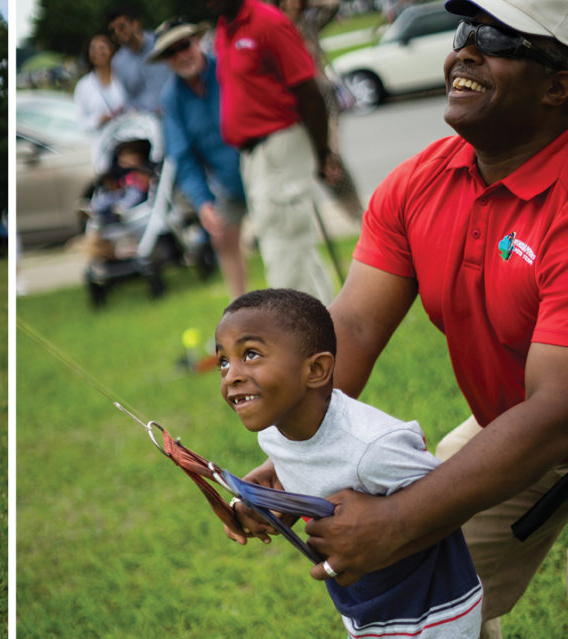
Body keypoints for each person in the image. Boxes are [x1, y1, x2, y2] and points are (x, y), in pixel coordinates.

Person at [233, 2, 568, 637]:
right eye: (465, 33)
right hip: (518, 420)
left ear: (558, 84)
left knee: (413, 525)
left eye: (496, 37)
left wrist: (400, 520)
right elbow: (352, 327)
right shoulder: (421, 183)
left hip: (548, 417)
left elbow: (556, 412)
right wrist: (304, 448)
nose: (465, 50)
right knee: (423, 596)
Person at [215, 289, 482, 637]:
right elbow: (311, 475)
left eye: (250, 355)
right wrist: (265, 504)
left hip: (432, 612)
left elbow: (447, 498)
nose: (230, 375)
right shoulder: (273, 435)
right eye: (223, 360)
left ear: (317, 370)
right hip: (365, 607)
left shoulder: (372, 446)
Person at [205, 0, 343, 304]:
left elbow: (310, 92)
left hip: (280, 145)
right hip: (254, 156)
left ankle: (300, 344)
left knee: (285, 254)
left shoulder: (267, 22)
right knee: (293, 251)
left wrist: (322, 154)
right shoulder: (223, 28)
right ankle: (329, 336)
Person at [151, 19, 249, 300]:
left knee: (282, 241)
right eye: (172, 52)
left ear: (197, 41)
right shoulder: (172, 98)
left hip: (261, 166)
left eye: (184, 45)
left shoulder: (229, 69)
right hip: (228, 183)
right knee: (222, 239)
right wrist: (203, 202)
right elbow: (182, 156)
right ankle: (241, 313)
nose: (181, 55)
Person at [267, 0, 365, 219]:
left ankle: (357, 215)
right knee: (295, 169)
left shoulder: (307, 24)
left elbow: (332, 5)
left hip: (319, 92)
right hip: (292, 104)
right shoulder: (273, 29)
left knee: (333, 162)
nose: (289, 6)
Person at [106, 6, 174, 115]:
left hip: (174, 112)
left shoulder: (161, 44)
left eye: (122, 27)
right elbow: (128, 98)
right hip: (146, 122)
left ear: (135, 24)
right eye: (113, 31)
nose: (118, 33)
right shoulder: (118, 63)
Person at [73, 33, 127, 133]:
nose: (98, 52)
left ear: (111, 50)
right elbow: (80, 124)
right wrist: (98, 120)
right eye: (93, 49)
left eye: (102, 48)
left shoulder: (123, 78)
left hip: (127, 138)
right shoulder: (83, 86)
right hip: (99, 142)